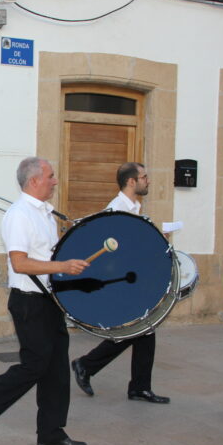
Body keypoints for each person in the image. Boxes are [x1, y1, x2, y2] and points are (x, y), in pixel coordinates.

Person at [0, 157, 89, 445]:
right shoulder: (19, 215)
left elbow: (45, 255)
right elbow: (20, 263)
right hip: (28, 303)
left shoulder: (45, 214)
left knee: (57, 368)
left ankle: (51, 432)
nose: (55, 181)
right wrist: (62, 265)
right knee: (35, 365)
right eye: (51, 176)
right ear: (34, 180)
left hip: (48, 301)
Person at [71, 162, 170, 404]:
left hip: (134, 279)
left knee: (144, 329)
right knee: (138, 329)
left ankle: (136, 385)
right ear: (131, 181)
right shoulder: (116, 209)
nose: (148, 180)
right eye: (144, 177)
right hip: (122, 281)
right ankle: (88, 365)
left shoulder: (134, 207)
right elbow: (114, 250)